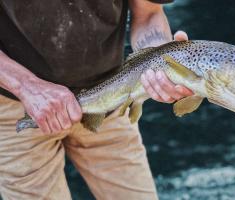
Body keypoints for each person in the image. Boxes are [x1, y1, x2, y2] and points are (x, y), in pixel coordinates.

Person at [0, 0, 193, 199]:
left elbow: (148, 14)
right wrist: (26, 86)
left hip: (111, 95)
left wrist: (159, 63)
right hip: (18, 103)